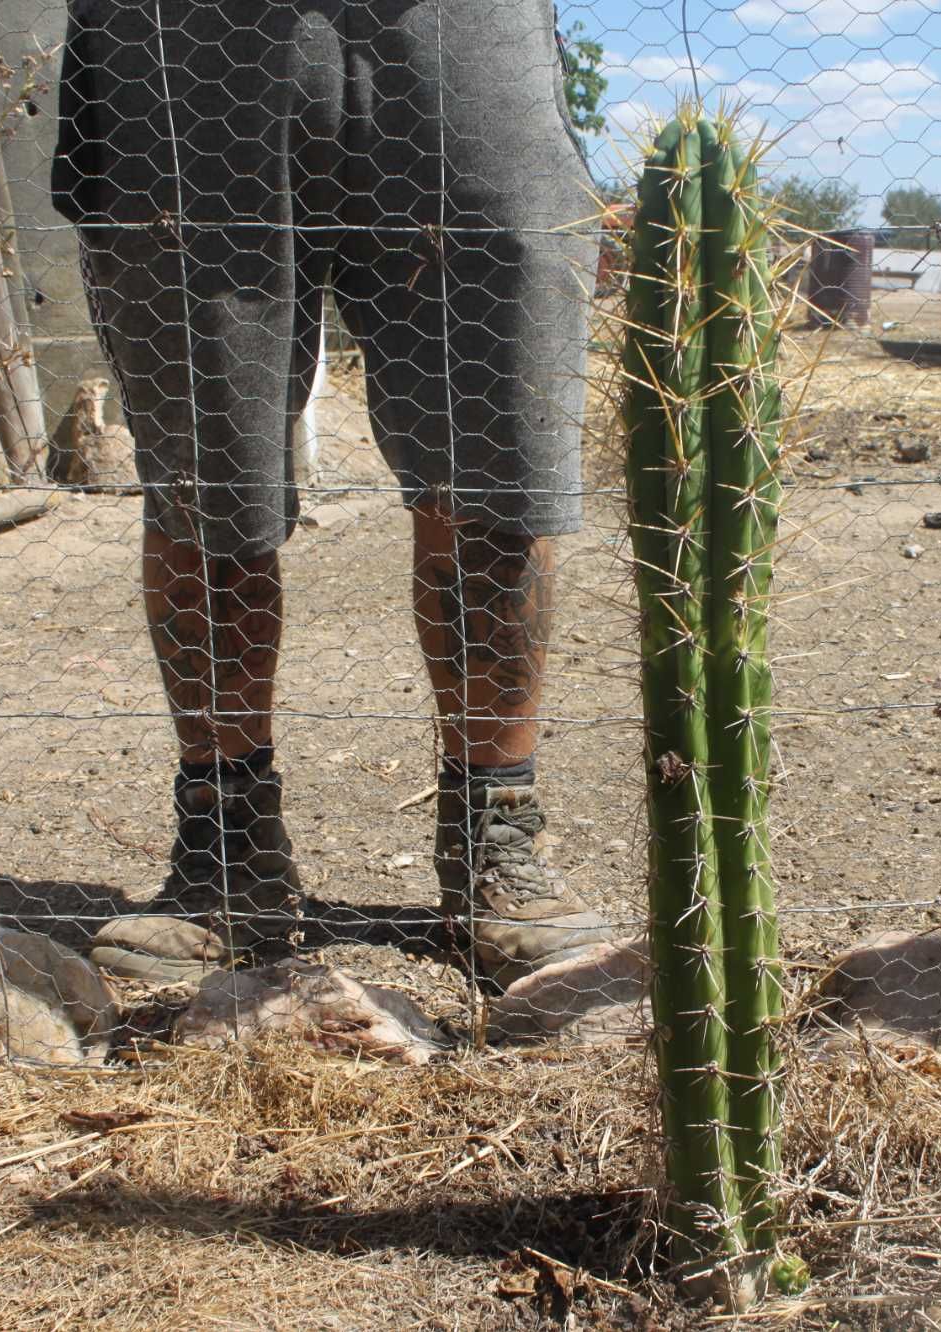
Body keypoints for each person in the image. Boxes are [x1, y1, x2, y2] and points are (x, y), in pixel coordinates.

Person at [51, 0, 615, 981]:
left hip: (453, 20)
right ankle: (228, 847)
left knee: (495, 449)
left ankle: (497, 832)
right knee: (201, 456)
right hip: (180, 28)